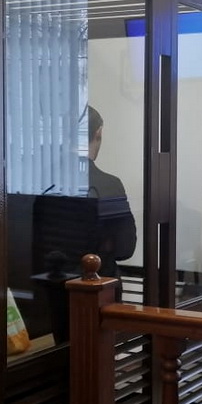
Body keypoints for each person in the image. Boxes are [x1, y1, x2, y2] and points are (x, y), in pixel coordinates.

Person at [86, 105, 137, 282]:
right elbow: (125, 248)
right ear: (98, 133)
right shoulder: (109, 186)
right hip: (97, 287)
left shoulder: (38, 182)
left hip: (45, 290)